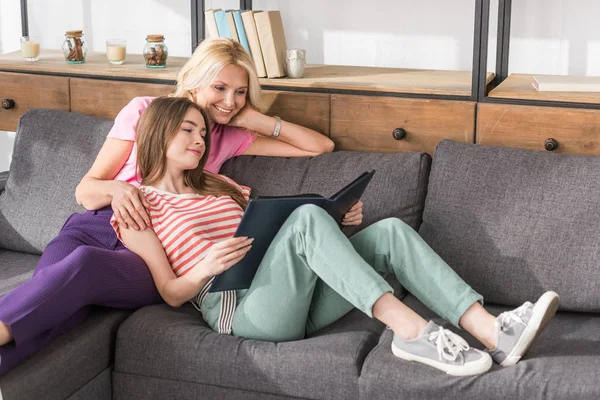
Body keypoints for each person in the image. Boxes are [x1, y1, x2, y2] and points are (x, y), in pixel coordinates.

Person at [115, 96, 560, 377]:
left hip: (294, 295)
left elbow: (275, 239)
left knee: (388, 231)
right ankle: (412, 332)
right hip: (242, 312)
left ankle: (493, 333)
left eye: (203, 131)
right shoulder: (138, 206)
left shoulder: (222, 185)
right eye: (187, 130)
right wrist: (206, 265)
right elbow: (171, 293)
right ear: (157, 133)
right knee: (307, 218)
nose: (199, 140)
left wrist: (335, 225)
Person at [0, 38, 348, 376]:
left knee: (79, 275)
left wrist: (254, 120)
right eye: (220, 88)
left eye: (240, 92)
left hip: (154, 245)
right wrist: (119, 190)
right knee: (52, 303)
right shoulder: (143, 111)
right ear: (195, 81)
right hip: (95, 224)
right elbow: (86, 191)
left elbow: (320, 146)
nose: (230, 101)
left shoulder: (224, 136)